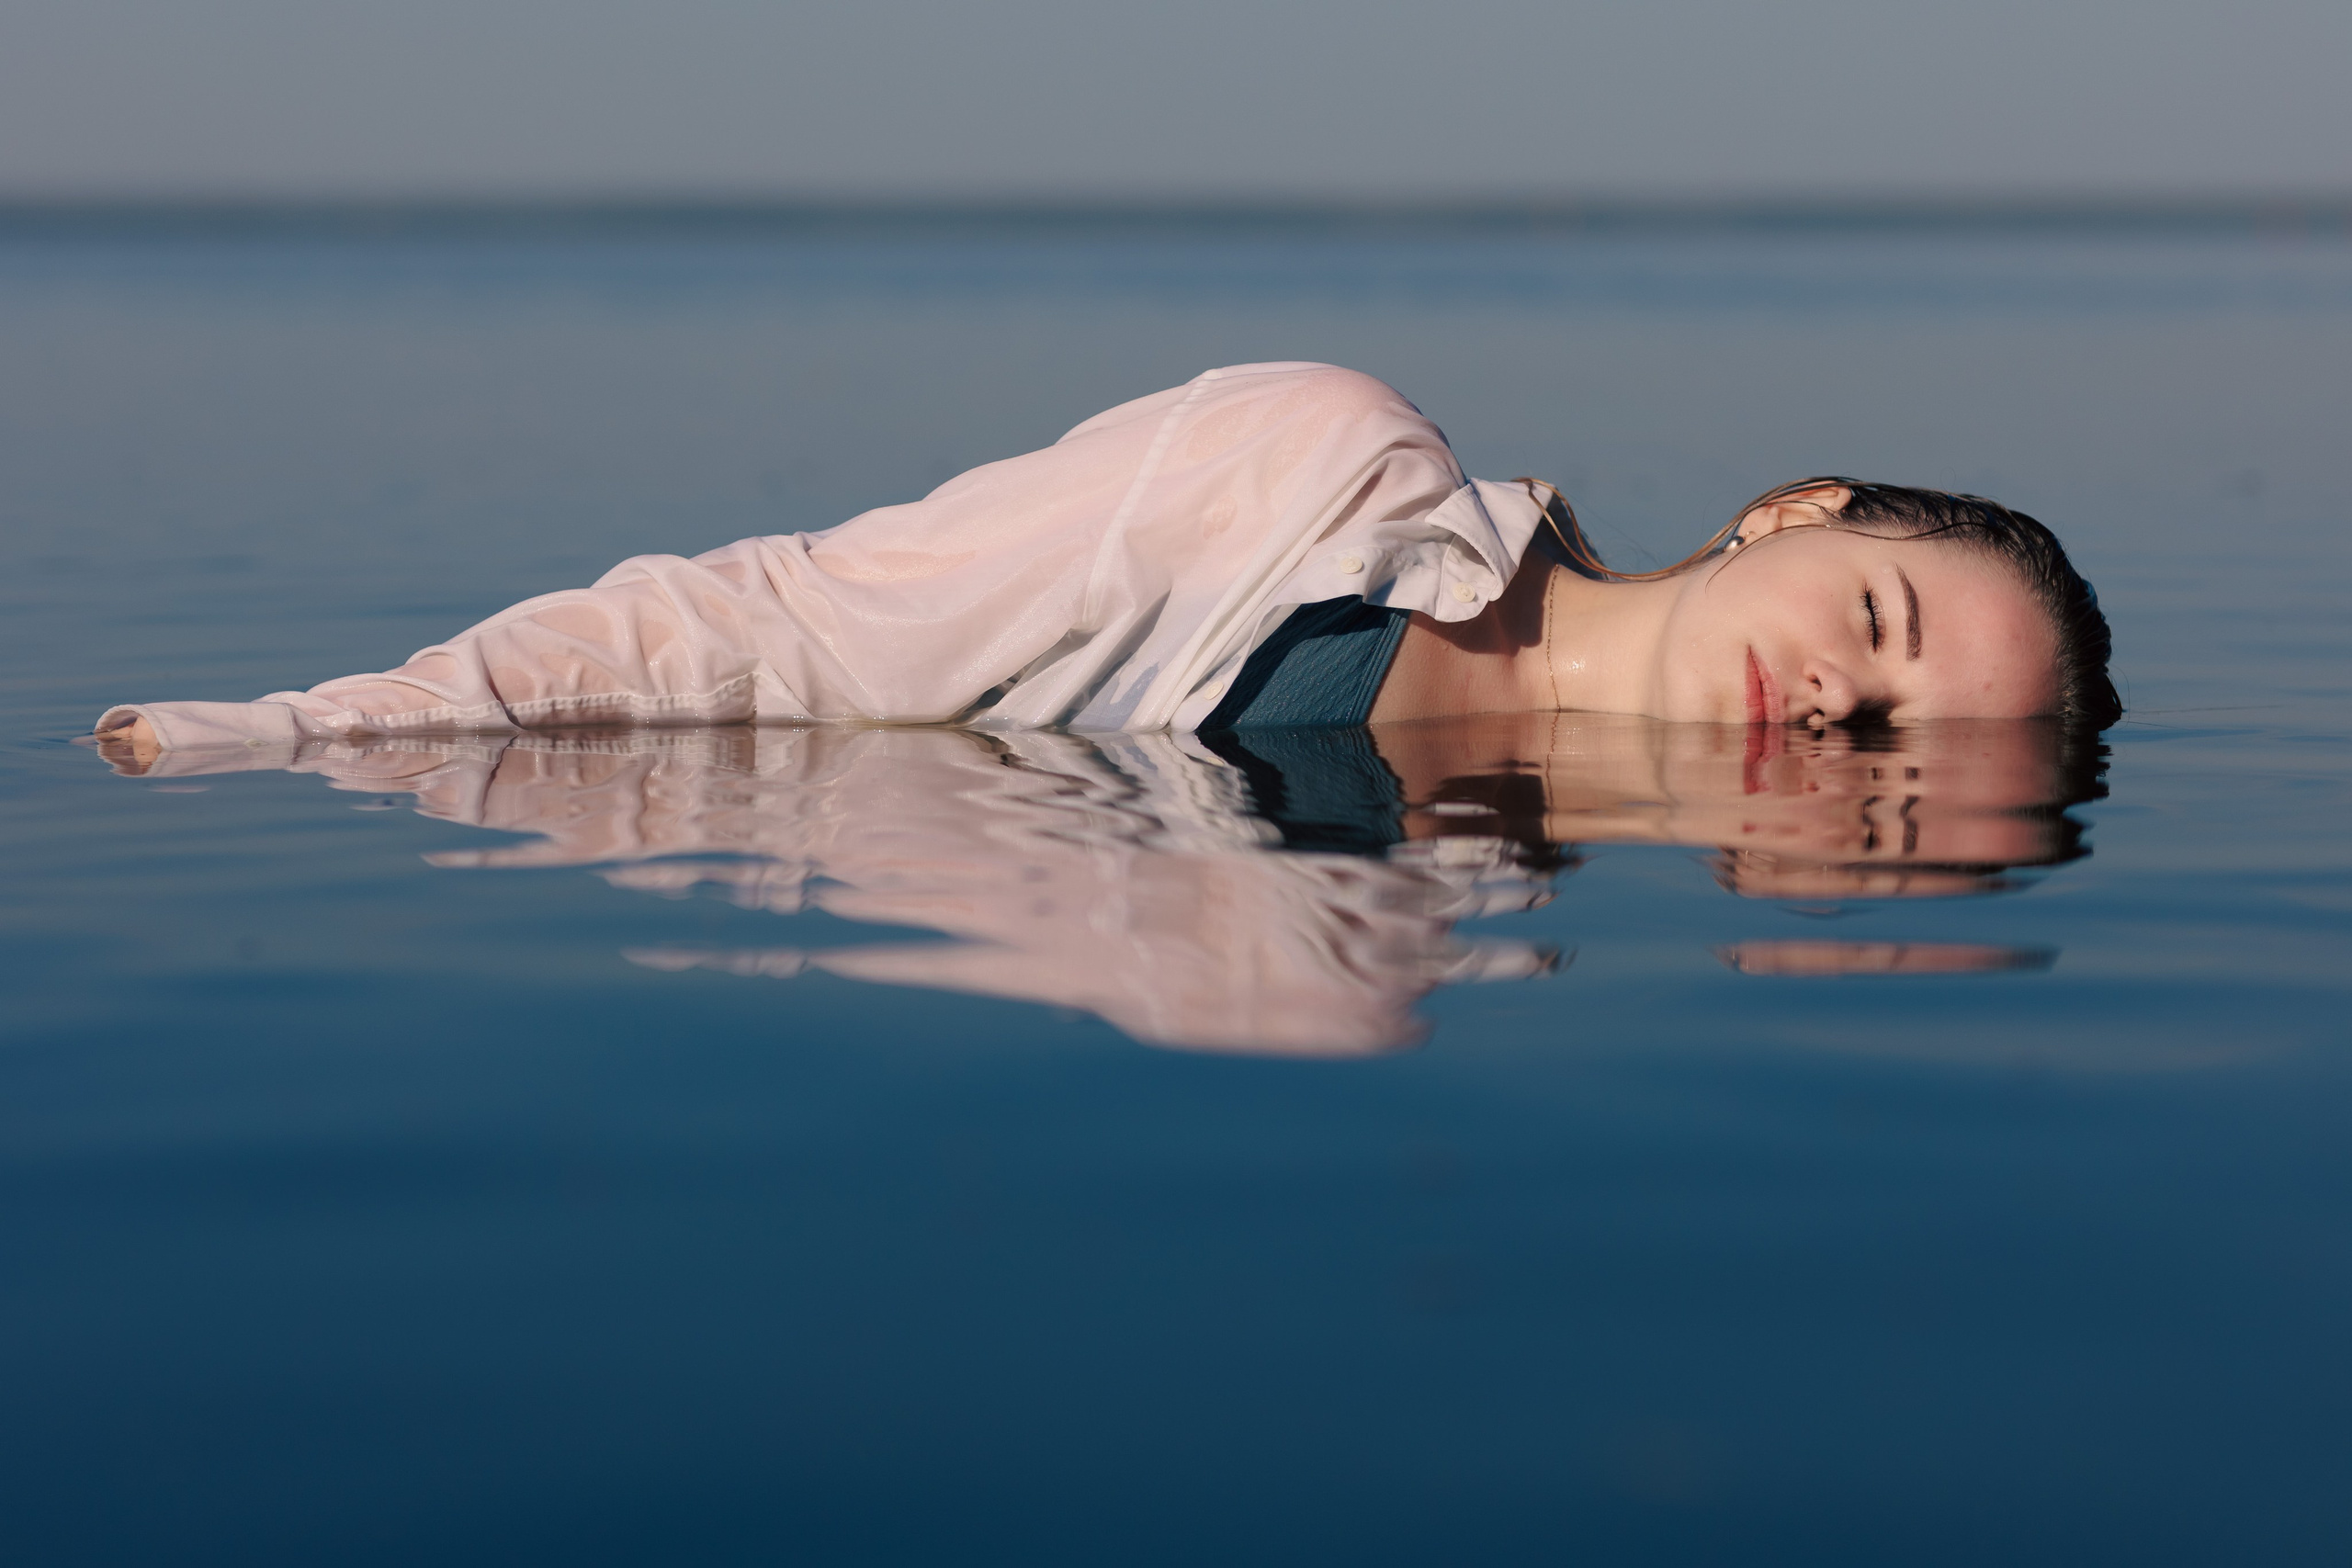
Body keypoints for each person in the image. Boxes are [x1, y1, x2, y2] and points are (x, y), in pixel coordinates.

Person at [93, 362, 2121, 758]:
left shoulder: (1463, 954)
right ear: (1794, 508)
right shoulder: (1325, 471)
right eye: (1878, 621)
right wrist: (335, 728)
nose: (1840, 704)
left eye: (1900, 747)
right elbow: (793, 628)